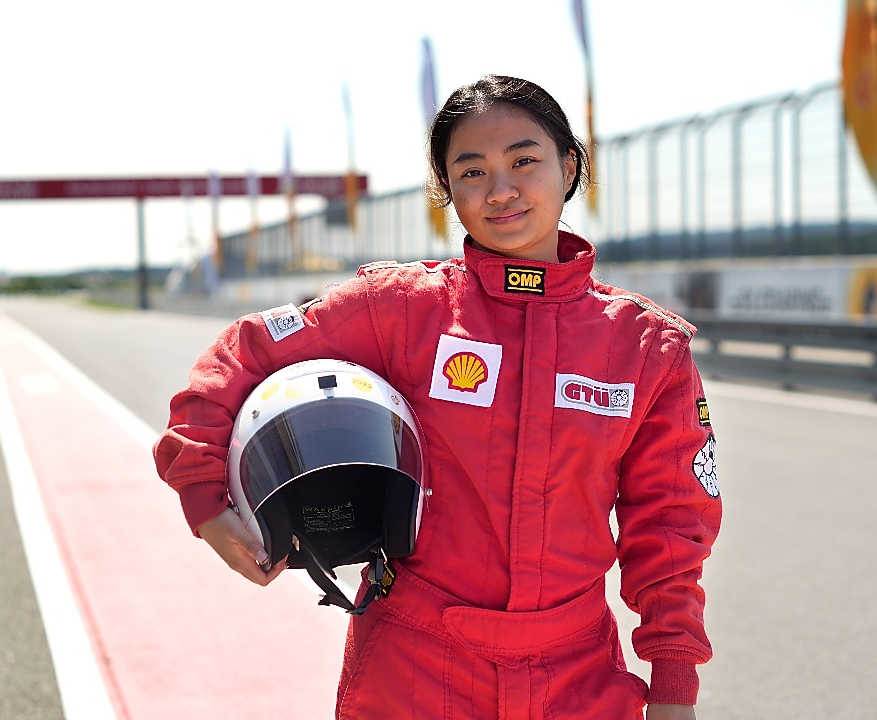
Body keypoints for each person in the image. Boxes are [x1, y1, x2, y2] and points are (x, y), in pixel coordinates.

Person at [154, 74, 722, 720]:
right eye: (471, 171)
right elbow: (244, 351)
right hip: (414, 671)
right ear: (448, 191)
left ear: (569, 167)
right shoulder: (404, 308)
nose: (501, 190)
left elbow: (671, 530)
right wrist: (204, 500)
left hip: (578, 680)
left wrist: (674, 689)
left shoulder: (646, 349)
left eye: (524, 161)